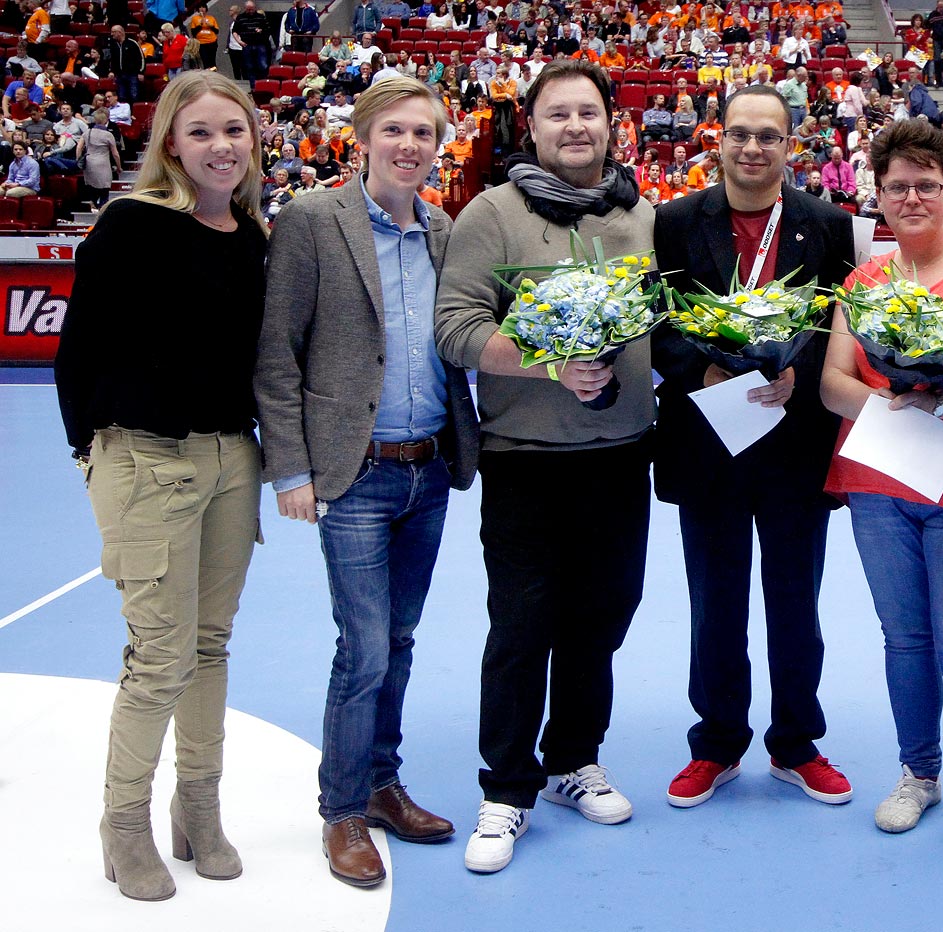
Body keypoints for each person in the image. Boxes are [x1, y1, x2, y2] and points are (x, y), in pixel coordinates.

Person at [255, 77, 480, 889]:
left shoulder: (446, 231)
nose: (410, 146)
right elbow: (278, 351)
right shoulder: (316, 220)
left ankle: (383, 783)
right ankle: (342, 809)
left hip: (429, 469)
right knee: (363, 648)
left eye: (424, 132)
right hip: (352, 474)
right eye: (395, 131)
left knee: (398, 641)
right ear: (362, 138)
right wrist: (290, 469)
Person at [433, 59, 655, 875]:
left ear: (609, 124)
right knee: (523, 626)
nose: (574, 128)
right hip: (525, 463)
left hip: (622, 458)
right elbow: (455, 329)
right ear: (531, 127)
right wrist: (547, 363)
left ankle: (571, 760)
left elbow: (662, 327)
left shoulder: (640, 218)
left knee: (603, 617)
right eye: (557, 114)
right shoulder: (490, 215)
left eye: (588, 114)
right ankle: (507, 788)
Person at [53, 70, 267, 904]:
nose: (221, 146)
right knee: (160, 658)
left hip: (230, 461)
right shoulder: (129, 225)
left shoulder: (251, 233)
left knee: (210, 647)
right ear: (171, 143)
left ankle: (199, 812)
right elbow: (78, 355)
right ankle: (125, 826)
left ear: (254, 143)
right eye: (203, 131)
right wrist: (93, 458)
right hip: (146, 461)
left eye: (236, 131)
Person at [821, 117, 943, 864]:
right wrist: (891, 406)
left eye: (926, 185)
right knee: (903, 638)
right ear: (879, 195)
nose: (912, 197)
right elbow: (832, 383)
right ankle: (919, 772)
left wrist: (935, 401)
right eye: (897, 186)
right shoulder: (864, 279)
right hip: (879, 480)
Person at [651, 84, 856, 811]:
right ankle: (716, 743)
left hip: (795, 442)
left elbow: (840, 320)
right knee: (716, 600)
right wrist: (696, 366)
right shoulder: (674, 222)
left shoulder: (828, 224)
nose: (753, 148)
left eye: (769, 136)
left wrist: (805, 370)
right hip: (708, 438)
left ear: (790, 145)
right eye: (740, 134)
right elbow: (658, 321)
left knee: (796, 601)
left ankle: (796, 743)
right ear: (719, 139)